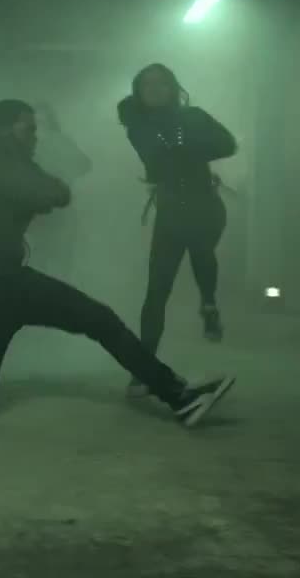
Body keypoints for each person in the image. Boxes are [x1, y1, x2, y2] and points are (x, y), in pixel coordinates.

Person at [0, 98, 235, 428]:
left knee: (100, 321)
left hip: (7, 282)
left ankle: (178, 395)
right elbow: (51, 191)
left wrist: (40, 188)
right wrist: (40, 192)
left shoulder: (1, 155)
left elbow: (52, 188)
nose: (34, 137)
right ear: (5, 128)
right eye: (28, 129)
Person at [118, 63, 237, 396]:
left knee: (200, 251)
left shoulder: (193, 116)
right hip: (172, 209)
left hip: (204, 204)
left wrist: (190, 145)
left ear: (173, 87)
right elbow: (158, 159)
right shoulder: (138, 125)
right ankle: (144, 368)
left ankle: (209, 304)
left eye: (161, 83)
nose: (155, 89)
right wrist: (193, 147)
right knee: (157, 288)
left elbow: (227, 144)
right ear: (138, 91)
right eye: (147, 84)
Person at [26, 101, 92, 280]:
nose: (40, 126)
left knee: (61, 263)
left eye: (43, 121)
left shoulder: (60, 140)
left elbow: (84, 164)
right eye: (35, 122)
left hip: (61, 211)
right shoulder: (24, 143)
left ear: (50, 121)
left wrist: (64, 172)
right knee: (36, 260)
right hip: (33, 213)